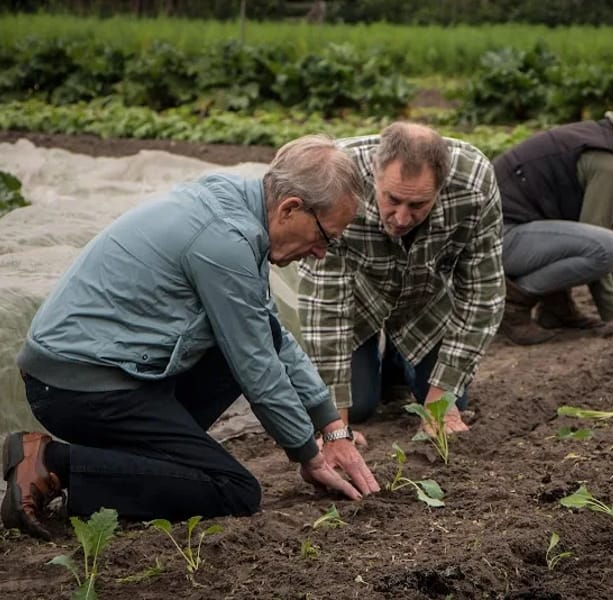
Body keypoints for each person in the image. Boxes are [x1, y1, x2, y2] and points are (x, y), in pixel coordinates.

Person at [2, 135, 380, 541]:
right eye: (324, 237)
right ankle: (52, 461)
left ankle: (144, 461)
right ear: (290, 208)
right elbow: (257, 367)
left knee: (243, 346)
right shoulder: (224, 241)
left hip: (113, 370)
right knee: (234, 489)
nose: (321, 252)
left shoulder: (236, 206)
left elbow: (271, 336)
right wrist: (308, 454)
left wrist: (330, 427)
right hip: (78, 386)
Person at [291, 122, 505, 435]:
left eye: (418, 204)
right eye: (392, 200)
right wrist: (335, 428)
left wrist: (439, 404)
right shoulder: (336, 181)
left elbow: (482, 294)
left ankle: (398, 359)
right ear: (374, 173)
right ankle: (377, 364)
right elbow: (326, 306)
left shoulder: (475, 184)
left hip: (424, 299)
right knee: (359, 407)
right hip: (358, 299)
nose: (403, 218)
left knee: (450, 403)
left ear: (441, 186)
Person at [492, 80, 613, 345]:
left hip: (506, 234)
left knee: (598, 242)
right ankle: (513, 303)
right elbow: (600, 246)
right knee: (607, 247)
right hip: (494, 240)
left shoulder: (610, 139)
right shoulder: (612, 167)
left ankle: (557, 307)